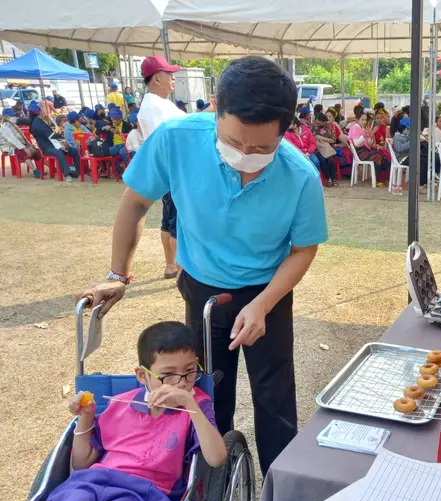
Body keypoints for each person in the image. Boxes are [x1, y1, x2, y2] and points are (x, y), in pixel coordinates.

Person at [78, 56, 327, 477]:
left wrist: (264, 304)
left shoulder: (300, 176)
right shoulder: (176, 139)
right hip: (201, 287)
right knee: (207, 390)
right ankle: (212, 483)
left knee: (275, 395)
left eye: (262, 148)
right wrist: (117, 274)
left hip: (267, 291)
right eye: (233, 141)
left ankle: (278, 489)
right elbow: (136, 202)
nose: (245, 155)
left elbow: (303, 250)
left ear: (286, 132)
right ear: (216, 107)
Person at [9, 321, 226, 501]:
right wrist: (86, 419)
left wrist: (190, 404)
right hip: (94, 481)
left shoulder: (196, 405)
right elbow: (82, 463)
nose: (180, 383)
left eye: (190, 372)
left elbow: (216, 458)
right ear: (143, 375)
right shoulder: (121, 404)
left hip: (147, 493)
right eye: (168, 375)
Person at [137, 55, 185, 280]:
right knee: (178, 221)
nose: (173, 78)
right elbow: (165, 140)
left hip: (168, 171)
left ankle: (170, 264)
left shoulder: (159, 103)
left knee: (169, 219)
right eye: (169, 74)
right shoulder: (153, 107)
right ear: (157, 78)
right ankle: (179, 266)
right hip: (173, 170)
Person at [29, 100, 80, 182]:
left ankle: (79, 172)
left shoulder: (41, 120)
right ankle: (67, 174)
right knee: (59, 152)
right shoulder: (37, 124)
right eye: (44, 109)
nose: (46, 110)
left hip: (54, 144)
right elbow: (51, 135)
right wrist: (63, 140)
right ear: (39, 112)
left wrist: (63, 142)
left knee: (74, 151)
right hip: (47, 147)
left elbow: (52, 135)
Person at [348, 111, 391, 187]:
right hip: (359, 152)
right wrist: (364, 136)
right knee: (378, 156)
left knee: (384, 155)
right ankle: (379, 180)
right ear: (357, 120)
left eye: (365, 120)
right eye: (362, 120)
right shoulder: (355, 128)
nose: (364, 122)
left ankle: (384, 179)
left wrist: (371, 137)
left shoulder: (363, 128)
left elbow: (369, 144)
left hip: (365, 150)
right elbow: (356, 144)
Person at [0, 108, 41, 176]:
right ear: (6, 117)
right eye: (12, 116)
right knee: (23, 152)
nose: (14, 117)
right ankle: (35, 170)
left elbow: (23, 137)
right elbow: (12, 140)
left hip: (19, 145)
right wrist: (23, 147)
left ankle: (43, 169)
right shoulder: (5, 127)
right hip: (9, 147)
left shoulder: (14, 125)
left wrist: (29, 144)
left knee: (36, 151)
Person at [312, 113, 340, 187]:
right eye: (316, 123)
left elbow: (334, 140)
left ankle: (334, 178)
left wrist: (322, 138)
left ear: (324, 122)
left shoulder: (329, 128)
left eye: (320, 123)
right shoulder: (313, 128)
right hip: (317, 149)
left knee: (330, 159)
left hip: (329, 148)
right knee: (323, 159)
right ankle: (328, 178)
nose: (318, 124)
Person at [104, 108, 130, 173]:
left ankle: (130, 168)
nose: (114, 121)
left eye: (116, 119)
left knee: (122, 151)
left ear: (120, 118)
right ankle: (119, 170)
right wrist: (104, 128)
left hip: (125, 144)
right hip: (115, 146)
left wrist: (119, 133)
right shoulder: (111, 126)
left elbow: (129, 137)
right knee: (106, 152)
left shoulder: (127, 125)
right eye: (113, 119)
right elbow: (97, 132)